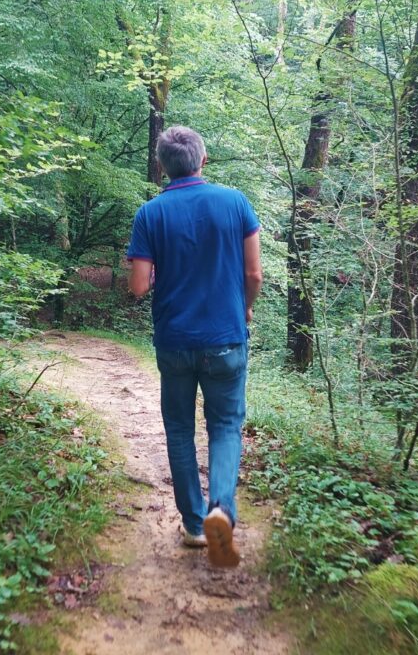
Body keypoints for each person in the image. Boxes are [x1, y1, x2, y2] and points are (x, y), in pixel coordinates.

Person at [126, 126, 262, 568]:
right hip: (226, 337)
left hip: (175, 340)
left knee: (180, 428)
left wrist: (159, 272)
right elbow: (254, 274)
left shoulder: (150, 213)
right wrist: (245, 308)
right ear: (203, 160)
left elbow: (138, 287)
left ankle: (193, 524)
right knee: (225, 426)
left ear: (162, 166)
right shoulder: (235, 202)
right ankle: (221, 508)